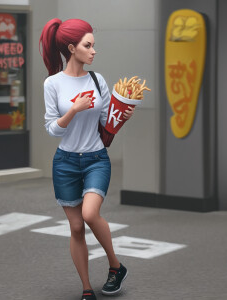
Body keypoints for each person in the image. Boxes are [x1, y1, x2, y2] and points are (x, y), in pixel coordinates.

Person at [39, 18, 135, 300]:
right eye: (88, 45)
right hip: (65, 163)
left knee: (90, 214)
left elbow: (106, 122)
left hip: (95, 159)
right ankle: (86, 288)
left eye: (93, 45)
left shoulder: (97, 80)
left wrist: (122, 116)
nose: (94, 51)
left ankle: (116, 267)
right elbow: (52, 129)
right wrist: (74, 110)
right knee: (77, 227)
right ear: (71, 48)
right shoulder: (52, 83)